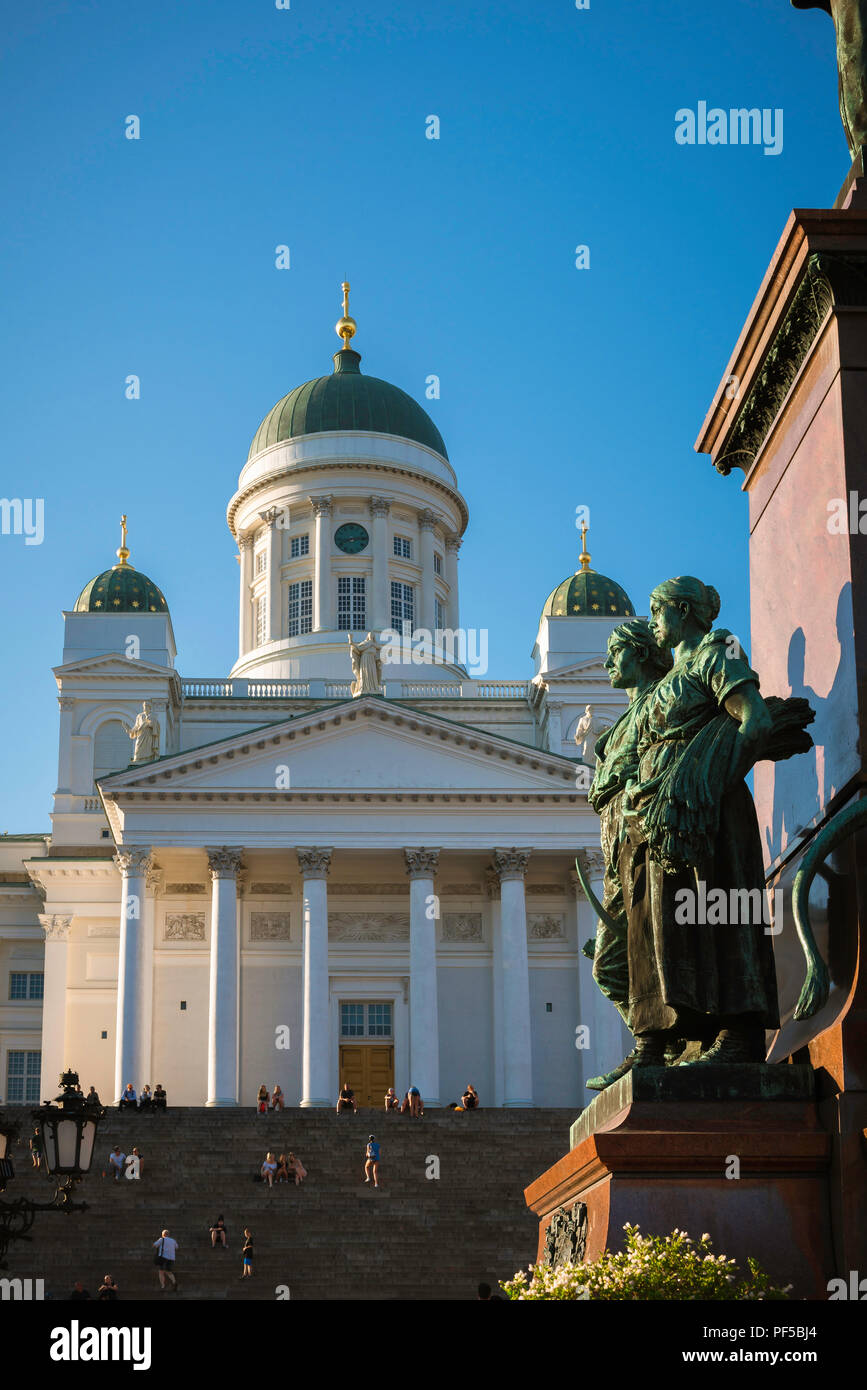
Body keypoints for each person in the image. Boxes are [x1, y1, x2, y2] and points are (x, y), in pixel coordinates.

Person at [622, 577, 782, 1066]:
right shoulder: (664, 682)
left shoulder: (717, 653)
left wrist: (705, 783)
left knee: (719, 915)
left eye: (657, 611)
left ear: (684, 610)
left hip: (708, 816)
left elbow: (756, 721)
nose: (652, 623)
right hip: (664, 819)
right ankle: (665, 1037)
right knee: (662, 927)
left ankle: (740, 1032)